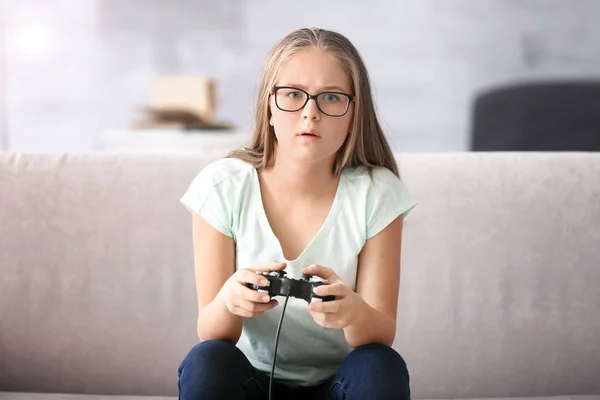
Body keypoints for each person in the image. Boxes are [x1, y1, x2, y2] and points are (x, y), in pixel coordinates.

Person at [177, 27, 417, 400]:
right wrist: (230, 300)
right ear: (268, 106)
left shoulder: (376, 192)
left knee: (379, 365)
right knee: (206, 360)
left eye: (331, 98)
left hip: (339, 385)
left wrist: (353, 312)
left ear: (354, 114)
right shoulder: (223, 186)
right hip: (252, 382)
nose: (311, 113)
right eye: (293, 95)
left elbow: (380, 334)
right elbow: (211, 332)